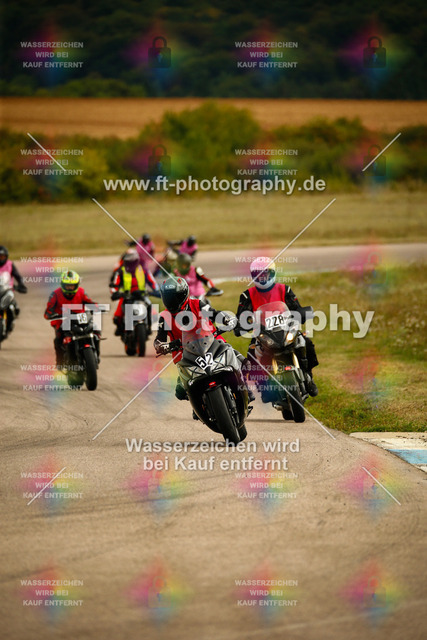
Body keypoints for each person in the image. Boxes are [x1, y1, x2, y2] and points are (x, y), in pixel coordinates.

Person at [154, 277, 254, 402]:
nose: (172, 301)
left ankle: (243, 387)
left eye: (175, 297)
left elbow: (214, 313)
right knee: (180, 392)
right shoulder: (164, 317)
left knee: (244, 362)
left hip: (212, 343)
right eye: (168, 298)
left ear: (184, 294)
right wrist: (161, 346)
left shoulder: (197, 304)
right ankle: (199, 404)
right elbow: (159, 339)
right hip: (185, 355)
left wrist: (226, 319)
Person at [234, 257, 319, 398]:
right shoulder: (247, 295)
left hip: (287, 330)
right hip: (262, 335)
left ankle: (309, 376)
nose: (262, 278)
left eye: (265, 274)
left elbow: (296, 308)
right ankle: (263, 386)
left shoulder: (284, 289)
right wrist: (241, 325)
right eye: (259, 275)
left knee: (306, 343)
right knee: (251, 355)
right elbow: (241, 316)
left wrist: (302, 314)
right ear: (253, 276)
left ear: (272, 273)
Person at [44, 270, 98, 367]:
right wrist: (50, 315)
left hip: (80, 318)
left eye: (72, 286)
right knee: (58, 339)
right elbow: (48, 311)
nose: (70, 288)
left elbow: (89, 302)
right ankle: (60, 362)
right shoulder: (55, 294)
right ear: (62, 285)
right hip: (62, 320)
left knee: (95, 332)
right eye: (67, 285)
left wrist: (96, 307)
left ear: (77, 285)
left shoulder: (81, 292)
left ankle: (96, 355)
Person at [110, 249, 160, 337]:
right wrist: (115, 293)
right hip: (127, 296)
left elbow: (152, 282)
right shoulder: (121, 271)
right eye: (129, 262)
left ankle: (148, 326)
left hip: (141, 295)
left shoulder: (143, 270)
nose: (131, 265)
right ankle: (121, 328)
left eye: (133, 262)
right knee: (117, 317)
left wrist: (156, 291)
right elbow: (114, 285)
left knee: (150, 307)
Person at [0, 245, 27, 330]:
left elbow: (18, 277)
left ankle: (11, 321)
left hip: (7, 290)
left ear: (6, 257)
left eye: (2, 256)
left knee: (15, 307)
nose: (1, 259)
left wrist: (21, 285)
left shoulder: (10, 265)